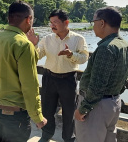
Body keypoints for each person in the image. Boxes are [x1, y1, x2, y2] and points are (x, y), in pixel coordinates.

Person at [0, 0, 47, 142]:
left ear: (9, 18)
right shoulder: (24, 45)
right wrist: (37, 116)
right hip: (16, 114)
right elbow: (29, 86)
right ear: (29, 19)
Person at [27, 9, 88, 142]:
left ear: (66, 22)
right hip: (49, 78)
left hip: (68, 79)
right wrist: (33, 44)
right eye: (51, 23)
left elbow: (84, 58)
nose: (52, 25)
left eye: (55, 22)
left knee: (69, 112)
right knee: (47, 110)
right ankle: (46, 136)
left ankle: (68, 138)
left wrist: (71, 54)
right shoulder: (47, 38)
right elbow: (37, 56)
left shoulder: (78, 39)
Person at [74, 7, 128, 142]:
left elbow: (97, 85)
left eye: (93, 22)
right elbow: (124, 79)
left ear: (102, 23)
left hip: (97, 106)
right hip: (113, 103)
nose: (93, 26)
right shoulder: (124, 45)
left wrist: (83, 109)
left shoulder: (106, 48)